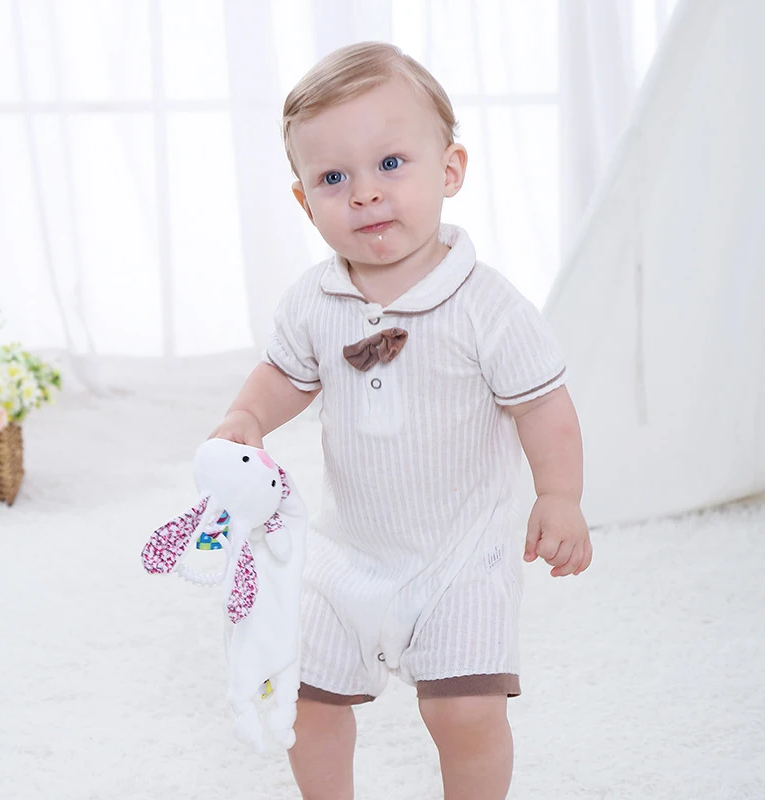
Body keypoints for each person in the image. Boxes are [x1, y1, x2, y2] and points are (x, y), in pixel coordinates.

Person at [209, 41, 592, 800]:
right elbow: (284, 375)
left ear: (449, 170)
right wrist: (247, 414)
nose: (365, 194)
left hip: (461, 559)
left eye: (390, 164)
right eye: (334, 178)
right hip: (347, 552)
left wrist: (559, 496)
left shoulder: (487, 305)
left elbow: (543, 405)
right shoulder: (314, 300)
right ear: (304, 201)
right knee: (304, 695)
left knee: (465, 712)